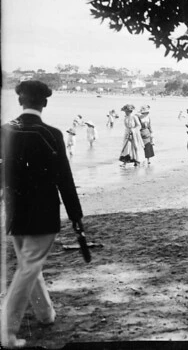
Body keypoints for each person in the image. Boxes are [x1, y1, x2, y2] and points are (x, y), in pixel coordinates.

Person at [1, 81, 85, 349]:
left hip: (15, 213)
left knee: (29, 265)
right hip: (44, 212)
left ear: (19, 101)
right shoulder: (52, 134)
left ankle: (45, 314)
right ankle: (6, 332)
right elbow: (65, 179)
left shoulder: (5, 131)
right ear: (44, 103)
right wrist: (75, 216)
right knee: (28, 268)